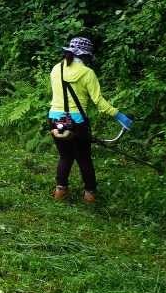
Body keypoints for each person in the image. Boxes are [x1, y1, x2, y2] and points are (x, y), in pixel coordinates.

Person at [48, 36, 133, 202]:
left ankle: (60, 192)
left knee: (65, 156)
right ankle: (90, 195)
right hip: (77, 122)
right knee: (84, 158)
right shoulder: (87, 73)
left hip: (55, 119)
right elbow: (99, 101)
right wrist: (119, 115)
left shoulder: (56, 68)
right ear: (84, 55)